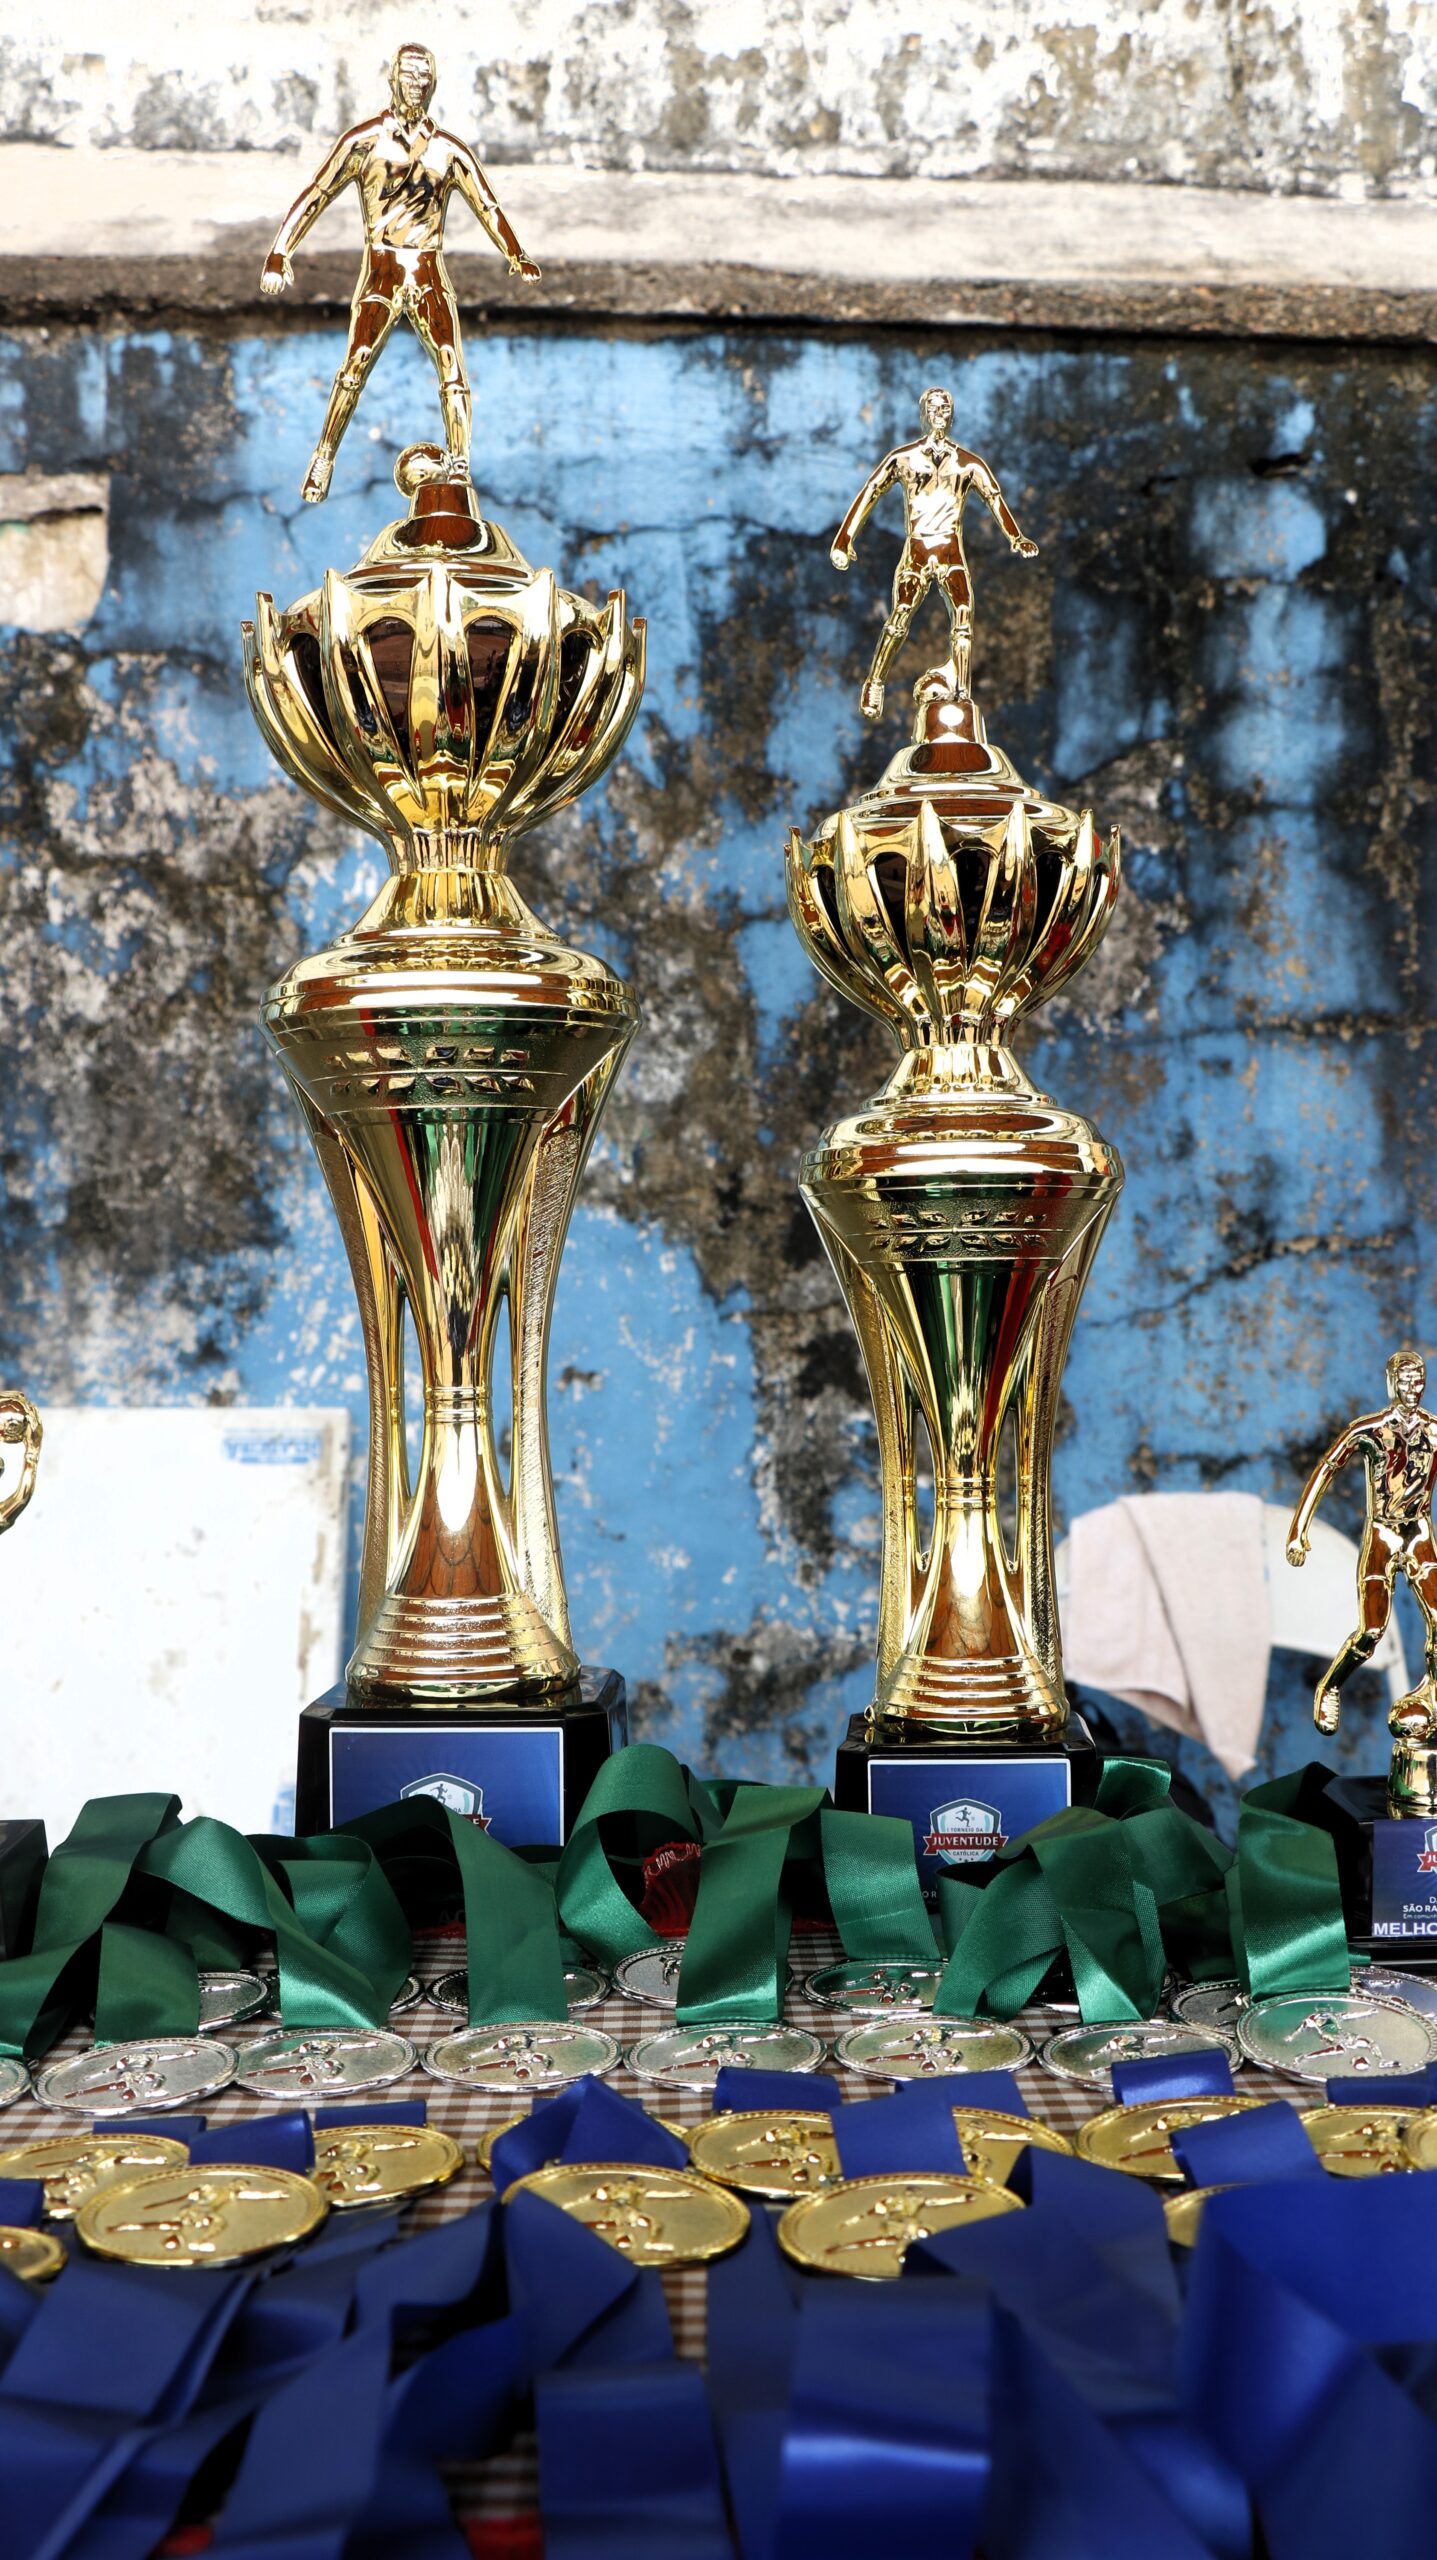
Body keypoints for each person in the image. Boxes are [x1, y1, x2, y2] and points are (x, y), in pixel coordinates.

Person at [260, 43, 541, 502]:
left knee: (451, 364)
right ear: (393, 79)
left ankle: (460, 468)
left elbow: (487, 205)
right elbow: (316, 194)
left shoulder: (448, 150)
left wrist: (516, 253)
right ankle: (324, 457)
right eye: (409, 76)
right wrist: (279, 252)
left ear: (434, 85)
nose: (417, 85)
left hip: (428, 269)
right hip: (383, 269)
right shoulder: (365, 141)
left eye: (424, 78)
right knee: (356, 362)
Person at [830, 386, 1038, 718]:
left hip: (950, 552)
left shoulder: (968, 463)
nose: (939, 414)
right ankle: (875, 683)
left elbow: (995, 499)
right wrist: (844, 539)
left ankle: (962, 695)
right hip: (917, 551)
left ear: (952, 415)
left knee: (964, 616)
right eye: (933, 408)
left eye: (944, 409)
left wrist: (1016, 538)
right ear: (923, 414)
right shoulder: (903, 458)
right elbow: (870, 492)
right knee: (900, 616)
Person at [1288, 1349, 1437, 1742]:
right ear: (1391, 1384)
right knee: (1372, 1631)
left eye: (1419, 1381)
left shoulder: (1434, 1430)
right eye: (1405, 1381)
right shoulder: (1371, 1429)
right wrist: (1299, 1530)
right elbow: (1326, 1468)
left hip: (1419, 1532)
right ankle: (1331, 1685)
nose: (1413, 1388)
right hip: (1383, 1534)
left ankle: (1432, 1691)